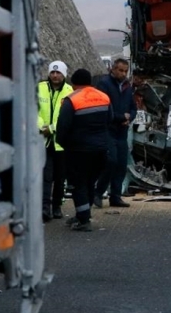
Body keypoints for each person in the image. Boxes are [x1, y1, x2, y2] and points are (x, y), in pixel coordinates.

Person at [55, 68, 112, 231]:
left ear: (73, 84)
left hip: (78, 150)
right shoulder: (104, 97)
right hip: (101, 149)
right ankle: (82, 214)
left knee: (77, 183)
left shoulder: (71, 100)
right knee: (89, 182)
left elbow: (62, 127)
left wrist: (64, 144)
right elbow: (110, 120)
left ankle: (84, 221)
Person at [93, 57, 136, 208]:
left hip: (122, 131)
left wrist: (130, 117)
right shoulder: (104, 84)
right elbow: (104, 107)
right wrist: (120, 118)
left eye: (125, 71)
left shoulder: (127, 87)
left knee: (121, 164)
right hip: (108, 130)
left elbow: (133, 107)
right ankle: (98, 193)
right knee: (111, 161)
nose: (123, 74)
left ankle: (115, 196)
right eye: (120, 70)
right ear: (113, 69)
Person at [37, 60, 73, 221]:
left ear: (64, 74)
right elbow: (33, 109)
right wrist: (41, 127)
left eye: (58, 72)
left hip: (61, 141)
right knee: (46, 176)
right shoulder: (40, 88)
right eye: (53, 72)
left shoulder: (69, 91)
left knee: (60, 177)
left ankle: (56, 206)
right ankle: (45, 209)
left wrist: (51, 128)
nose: (55, 75)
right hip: (43, 141)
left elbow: (66, 116)